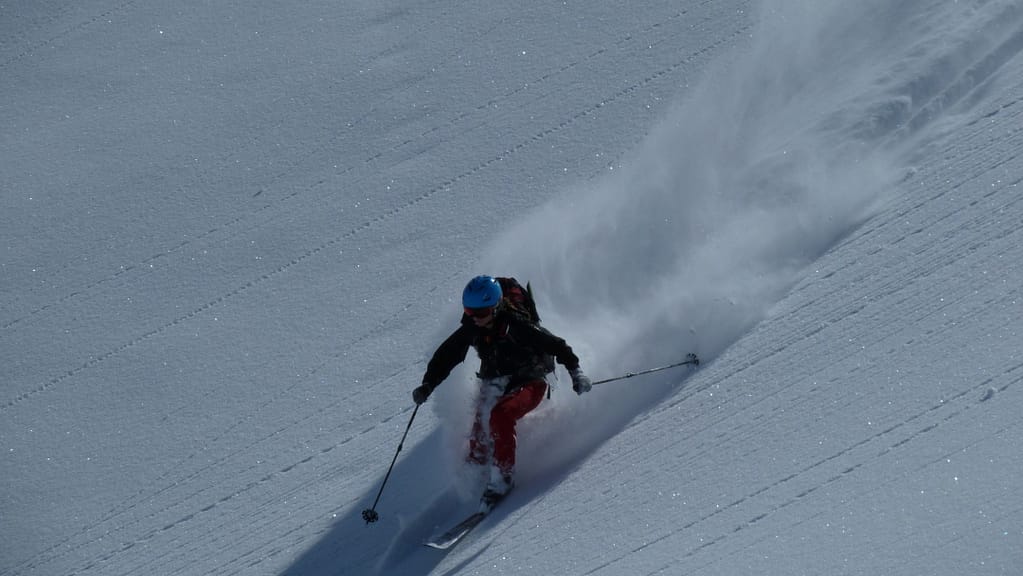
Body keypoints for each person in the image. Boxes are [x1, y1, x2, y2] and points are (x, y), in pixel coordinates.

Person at [412, 275, 592, 506]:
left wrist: (576, 373)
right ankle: (477, 468)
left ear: (495, 307)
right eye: (469, 311)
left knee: (500, 414)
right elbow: (446, 356)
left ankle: (503, 477)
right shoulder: (472, 327)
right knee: (481, 424)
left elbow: (558, 345)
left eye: (481, 312)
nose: (474, 318)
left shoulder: (517, 325)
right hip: (496, 378)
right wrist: (428, 385)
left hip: (532, 379)